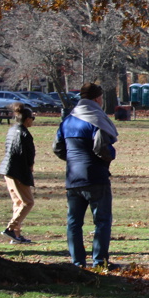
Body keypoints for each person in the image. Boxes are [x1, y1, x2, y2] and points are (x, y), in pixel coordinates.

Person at [53, 83, 119, 269]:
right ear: (97, 99)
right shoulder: (96, 119)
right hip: (96, 176)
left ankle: (77, 263)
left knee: (74, 222)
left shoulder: (67, 121)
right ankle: (99, 261)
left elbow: (57, 148)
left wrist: (73, 161)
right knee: (102, 221)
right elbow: (101, 148)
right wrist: (111, 155)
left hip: (73, 178)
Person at [0, 102, 37, 244]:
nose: (33, 121)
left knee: (18, 202)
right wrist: (29, 167)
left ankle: (15, 235)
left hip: (7, 169)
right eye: (32, 118)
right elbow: (26, 154)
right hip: (17, 171)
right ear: (27, 119)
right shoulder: (24, 133)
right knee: (28, 202)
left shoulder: (12, 130)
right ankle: (10, 228)